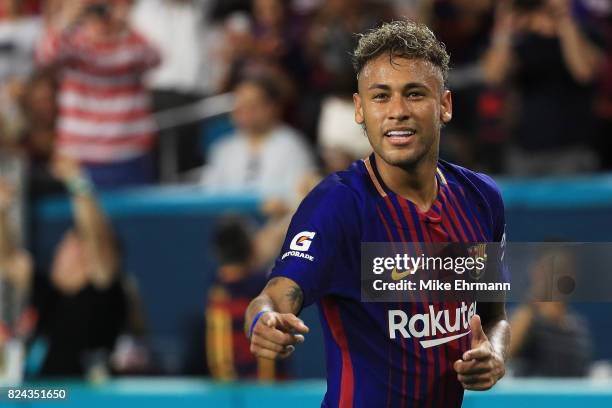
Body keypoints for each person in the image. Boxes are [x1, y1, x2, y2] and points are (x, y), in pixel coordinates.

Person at [245, 20, 510, 407]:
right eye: (381, 97)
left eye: (414, 94)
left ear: (445, 106)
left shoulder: (481, 198)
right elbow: (274, 297)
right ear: (359, 109)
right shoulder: (337, 205)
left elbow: (493, 316)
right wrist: (263, 322)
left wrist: (496, 355)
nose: (397, 112)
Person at [36, 0, 161, 188]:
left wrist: (125, 25)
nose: (102, 18)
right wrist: (68, 18)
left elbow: (155, 58)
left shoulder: (131, 44)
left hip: (129, 154)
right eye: (95, 11)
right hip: (79, 157)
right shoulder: (74, 44)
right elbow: (46, 54)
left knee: (131, 215)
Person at [30, 156, 128, 377]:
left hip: (77, 398)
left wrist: (77, 182)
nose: (59, 249)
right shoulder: (46, 291)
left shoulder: (102, 295)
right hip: (34, 395)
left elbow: (96, 235)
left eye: (69, 245)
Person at [200, 76, 314, 203]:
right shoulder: (223, 149)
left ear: (271, 108)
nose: (243, 111)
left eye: (252, 105)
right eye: (239, 104)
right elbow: (208, 196)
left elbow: (300, 197)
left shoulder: (292, 146)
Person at [510, 245, 592, 377]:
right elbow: (505, 352)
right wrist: (531, 304)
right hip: (533, 396)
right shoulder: (526, 319)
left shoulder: (578, 328)